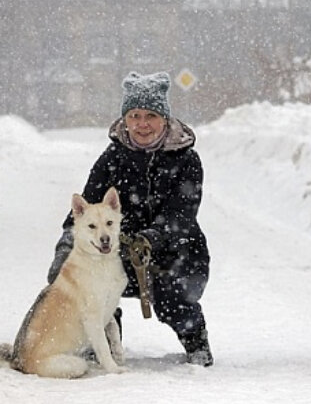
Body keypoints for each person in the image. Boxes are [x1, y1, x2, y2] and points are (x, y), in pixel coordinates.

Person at [47, 71, 213, 366]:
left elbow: (182, 215)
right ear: (125, 119)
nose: (142, 124)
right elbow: (86, 209)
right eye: (134, 115)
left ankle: (197, 344)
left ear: (165, 118)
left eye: (150, 115)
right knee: (82, 279)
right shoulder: (112, 158)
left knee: (173, 295)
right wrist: (67, 243)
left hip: (177, 251)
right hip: (118, 249)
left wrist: (152, 237)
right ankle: (105, 344)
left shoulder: (187, 159)